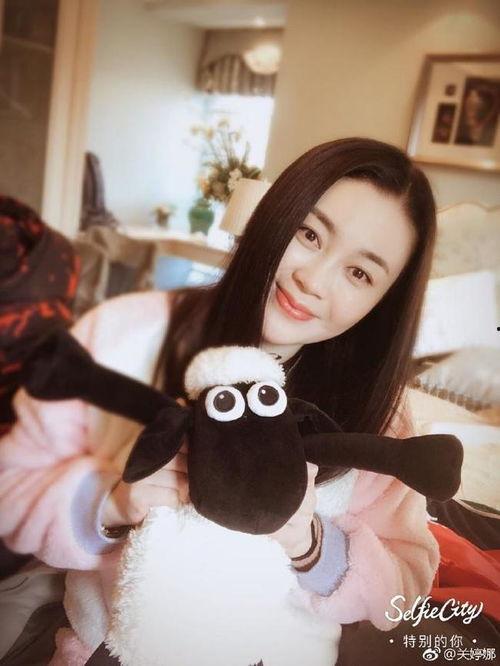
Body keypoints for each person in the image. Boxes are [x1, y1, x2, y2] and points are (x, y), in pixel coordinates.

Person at [0, 138, 440, 664]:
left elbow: (406, 585)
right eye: (309, 234)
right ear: (275, 216)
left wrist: (313, 546)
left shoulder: (381, 417)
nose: (312, 280)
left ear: (382, 303)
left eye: (360, 273)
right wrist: (110, 504)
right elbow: (10, 491)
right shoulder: (128, 334)